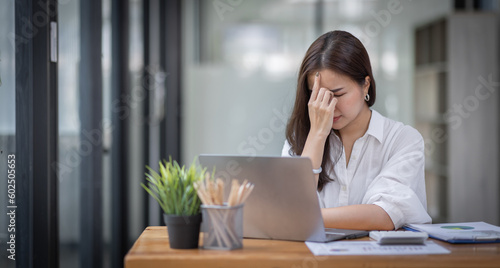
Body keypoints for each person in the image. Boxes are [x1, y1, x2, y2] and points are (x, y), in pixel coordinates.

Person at [282, 30, 431, 230]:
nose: (326, 106)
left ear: (365, 85)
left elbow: (386, 214)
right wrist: (317, 135)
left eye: (338, 94)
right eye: (316, 95)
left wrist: (306, 217)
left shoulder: (403, 140)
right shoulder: (299, 142)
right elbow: (290, 208)